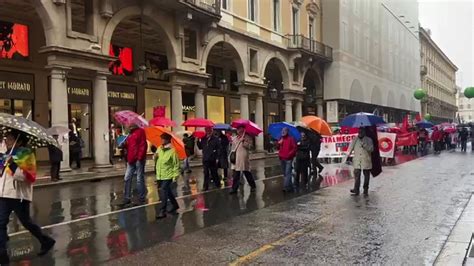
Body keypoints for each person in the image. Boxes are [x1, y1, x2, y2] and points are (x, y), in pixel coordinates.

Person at [0, 130, 55, 264]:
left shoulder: (27, 155)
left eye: (11, 139)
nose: (7, 141)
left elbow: (26, 177)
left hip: (19, 196)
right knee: (0, 223)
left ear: (19, 141)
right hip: (3, 194)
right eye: (6, 138)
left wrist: (12, 164)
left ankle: (45, 240)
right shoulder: (5, 155)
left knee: (26, 222)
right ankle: (2, 254)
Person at [155, 133, 181, 219]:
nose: (161, 140)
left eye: (163, 139)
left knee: (163, 191)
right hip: (160, 175)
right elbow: (157, 160)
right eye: (161, 138)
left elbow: (176, 164)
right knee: (168, 191)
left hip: (168, 175)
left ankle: (163, 211)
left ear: (167, 140)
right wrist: (155, 157)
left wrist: (175, 177)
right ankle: (175, 205)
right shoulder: (159, 148)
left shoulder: (172, 151)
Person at [121, 123, 148, 206]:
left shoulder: (140, 132)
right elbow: (130, 146)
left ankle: (141, 197)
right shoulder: (130, 134)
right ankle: (127, 197)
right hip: (131, 159)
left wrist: (139, 157)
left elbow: (143, 145)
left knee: (139, 178)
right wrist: (124, 145)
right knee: (127, 178)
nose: (128, 127)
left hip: (137, 159)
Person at [345, 127, 374, 196]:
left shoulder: (369, 140)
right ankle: (356, 189)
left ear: (364, 132)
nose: (360, 132)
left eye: (361, 131)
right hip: (357, 160)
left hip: (366, 160)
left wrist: (365, 145)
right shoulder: (355, 139)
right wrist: (346, 156)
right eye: (359, 131)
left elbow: (371, 149)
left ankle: (365, 189)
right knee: (357, 175)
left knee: (366, 175)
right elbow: (350, 149)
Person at [229, 125, 256, 194]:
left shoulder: (247, 137)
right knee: (236, 174)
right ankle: (234, 188)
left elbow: (250, 147)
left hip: (243, 158)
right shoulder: (235, 138)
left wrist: (244, 142)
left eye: (241, 129)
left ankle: (253, 186)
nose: (239, 131)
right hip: (236, 158)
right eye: (238, 129)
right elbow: (232, 148)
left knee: (247, 173)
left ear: (243, 130)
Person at [277, 127, 297, 192]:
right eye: (282, 130)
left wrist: (289, 155)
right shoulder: (280, 139)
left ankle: (285, 187)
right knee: (285, 173)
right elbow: (277, 148)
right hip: (281, 158)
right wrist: (278, 144)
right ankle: (290, 186)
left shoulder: (291, 139)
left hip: (288, 159)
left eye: (284, 131)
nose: (283, 132)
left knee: (287, 173)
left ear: (287, 132)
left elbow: (294, 148)